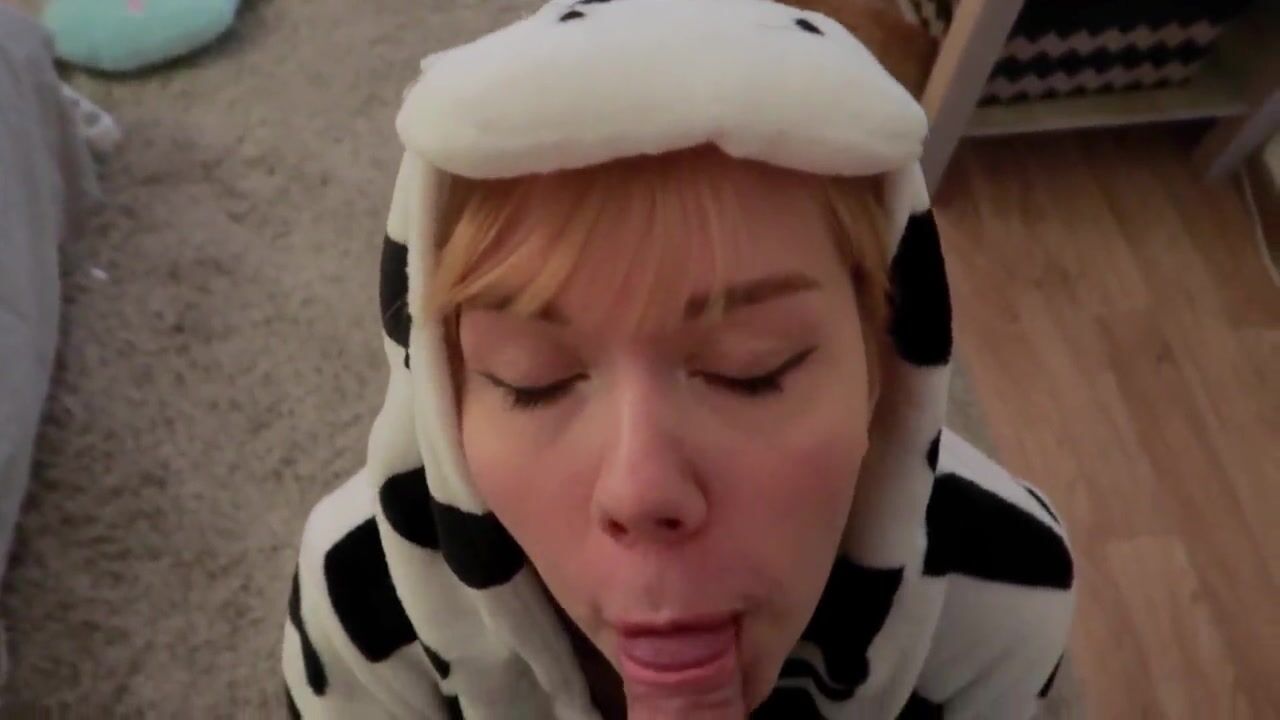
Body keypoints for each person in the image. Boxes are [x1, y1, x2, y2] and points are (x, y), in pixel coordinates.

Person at [281, 0, 1075, 718]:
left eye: (751, 369)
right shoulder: (361, 599)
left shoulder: (1002, 587)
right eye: (533, 382)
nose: (641, 489)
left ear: (885, 364)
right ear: (443, 390)